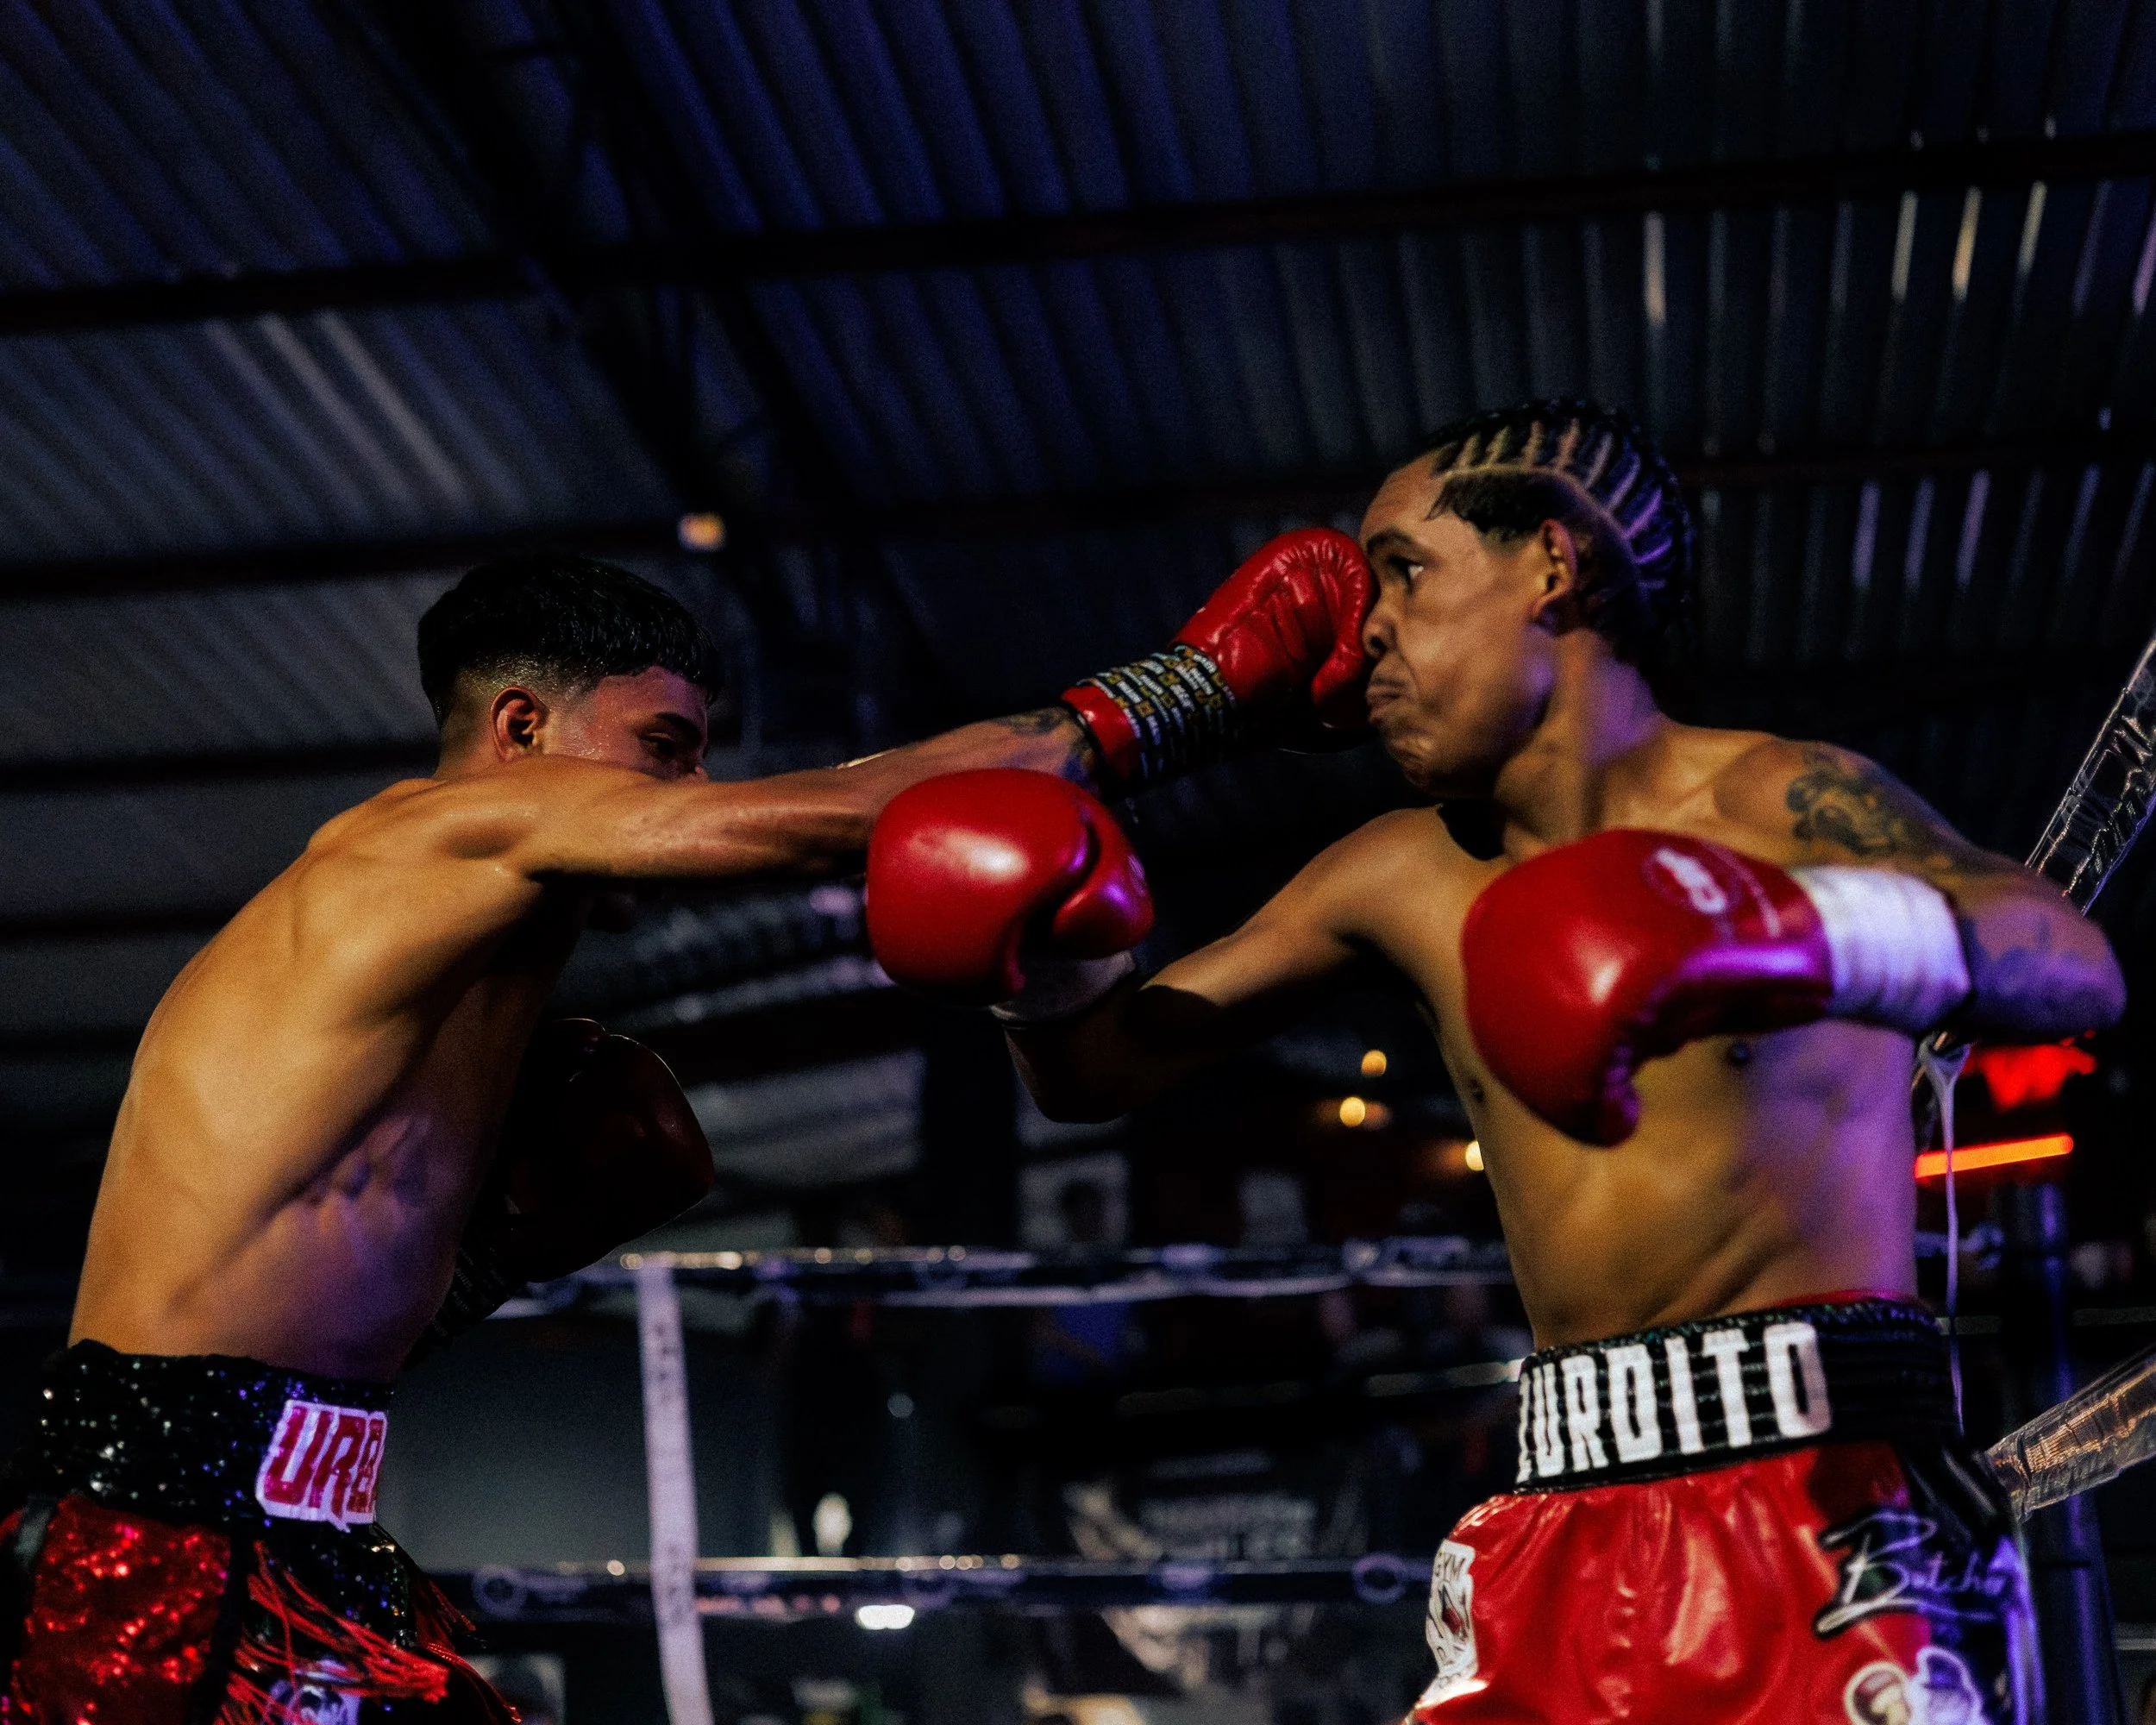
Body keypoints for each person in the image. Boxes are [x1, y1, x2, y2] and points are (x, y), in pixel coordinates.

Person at [863, 401, 2127, 1723]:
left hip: (1830, 1505)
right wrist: (1037, 947)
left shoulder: (1773, 802)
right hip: (1560, 1522)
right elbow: (1098, 1069)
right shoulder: (1400, 872)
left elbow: (2068, 958)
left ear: (1552, 565)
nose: (1364, 642)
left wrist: (1792, 931)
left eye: (1404, 573)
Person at [0, 547, 1371, 1723]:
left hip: (299, 1539)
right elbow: (852, 818)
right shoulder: (423, 840)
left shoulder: (452, 979)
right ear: (522, 729)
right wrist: (1197, 692)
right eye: (664, 749)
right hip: (167, 1548)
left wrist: (474, 1266)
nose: (693, 786)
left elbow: (293, 1299)